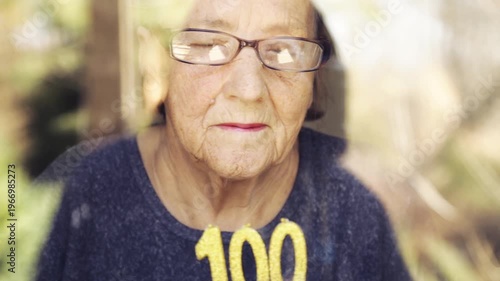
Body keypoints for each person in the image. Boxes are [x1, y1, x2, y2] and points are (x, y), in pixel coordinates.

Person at [36, 0, 412, 280]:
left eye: (283, 51)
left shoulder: (354, 217)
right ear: (158, 64)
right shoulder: (93, 192)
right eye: (208, 46)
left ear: (315, 84)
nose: (249, 90)